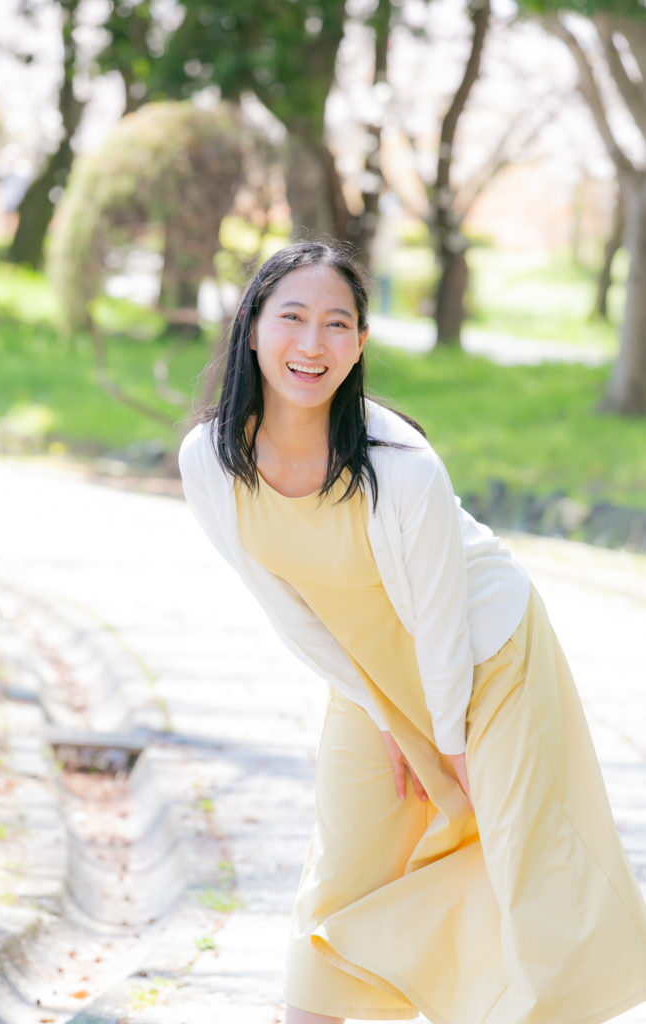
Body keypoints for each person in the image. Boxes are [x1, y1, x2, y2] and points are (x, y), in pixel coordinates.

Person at [178, 240, 646, 1024]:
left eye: (337, 324)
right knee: (349, 856)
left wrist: (447, 744)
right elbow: (287, 611)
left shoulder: (400, 464)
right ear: (251, 327)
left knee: (520, 863)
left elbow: (438, 619)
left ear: (359, 343)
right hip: (368, 676)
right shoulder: (210, 460)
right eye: (292, 317)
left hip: (487, 659)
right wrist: (383, 713)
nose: (312, 343)